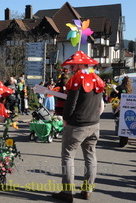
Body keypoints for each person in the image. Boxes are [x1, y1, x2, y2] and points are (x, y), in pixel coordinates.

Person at [52, 51, 105, 202]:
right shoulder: (97, 78)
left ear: (81, 64)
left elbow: (71, 103)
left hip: (77, 125)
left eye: (74, 65)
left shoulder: (78, 79)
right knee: (91, 156)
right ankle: (87, 190)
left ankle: (67, 192)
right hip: (94, 124)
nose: (73, 68)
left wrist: (66, 119)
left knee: (68, 156)